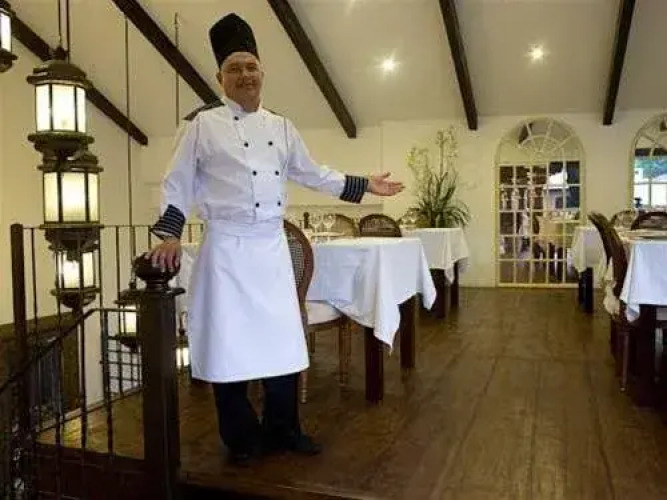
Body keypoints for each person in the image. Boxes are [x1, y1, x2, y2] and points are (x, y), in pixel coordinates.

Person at [147, 13, 403, 466]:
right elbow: (177, 183)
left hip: (270, 250)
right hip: (225, 250)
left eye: (251, 66)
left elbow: (314, 173)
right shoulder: (200, 125)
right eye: (234, 68)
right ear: (220, 77)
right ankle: (241, 439)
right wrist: (168, 235)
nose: (245, 75)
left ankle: (285, 429)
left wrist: (365, 185)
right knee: (230, 346)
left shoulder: (282, 127)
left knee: (282, 342)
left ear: (262, 72)